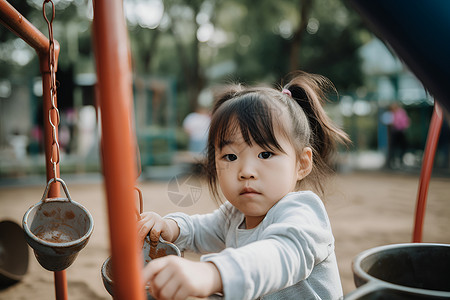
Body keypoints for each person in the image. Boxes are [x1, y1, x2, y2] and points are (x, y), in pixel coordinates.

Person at [138, 71, 349, 300]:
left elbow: (280, 256)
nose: (246, 171)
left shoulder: (302, 212)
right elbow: (199, 230)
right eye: (230, 157)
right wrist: (168, 227)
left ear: (302, 164)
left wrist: (213, 272)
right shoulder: (234, 215)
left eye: (265, 154)